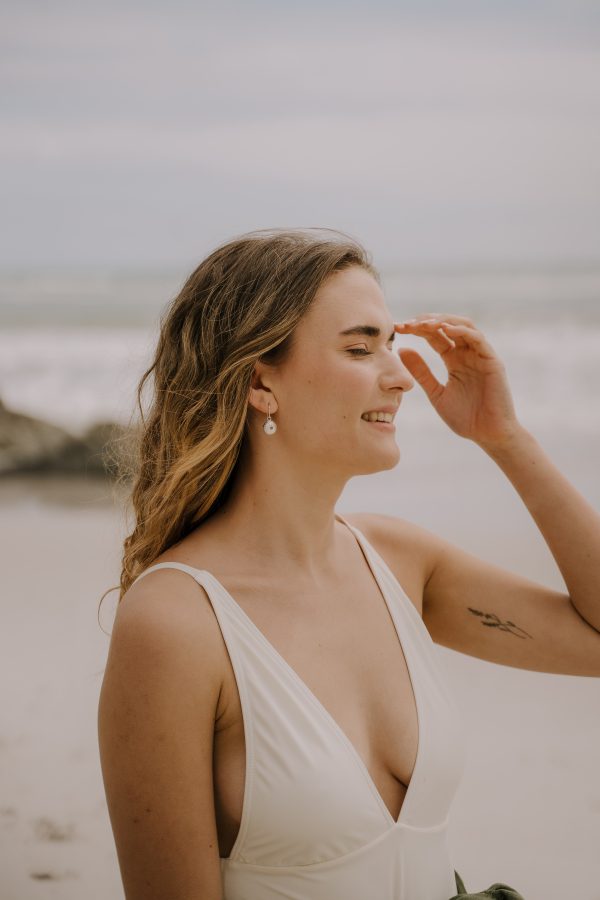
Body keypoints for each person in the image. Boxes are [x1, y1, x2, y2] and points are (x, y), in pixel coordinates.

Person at [97, 227, 600, 900]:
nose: (401, 376)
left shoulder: (398, 561)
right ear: (259, 382)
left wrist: (504, 438)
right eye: (361, 347)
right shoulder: (175, 623)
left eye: (391, 343)